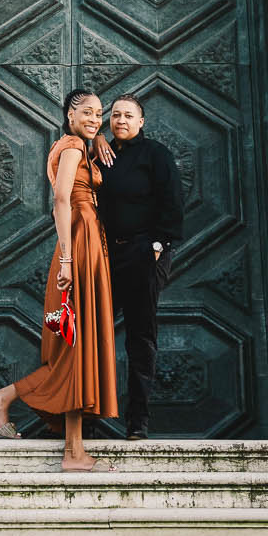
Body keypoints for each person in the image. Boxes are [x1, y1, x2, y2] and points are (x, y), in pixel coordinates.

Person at [0, 90, 117, 471]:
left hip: (89, 246)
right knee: (75, 350)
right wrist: (69, 259)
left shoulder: (78, 144)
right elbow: (60, 199)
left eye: (100, 113)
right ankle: (72, 453)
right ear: (68, 114)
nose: (95, 118)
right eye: (87, 112)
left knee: (78, 349)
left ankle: (3, 398)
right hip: (79, 249)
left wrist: (98, 135)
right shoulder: (72, 146)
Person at [95, 93, 184, 440]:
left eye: (128, 116)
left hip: (144, 254)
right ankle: (86, 416)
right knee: (93, 334)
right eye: (115, 115)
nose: (121, 121)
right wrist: (96, 138)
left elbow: (173, 202)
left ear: (141, 121)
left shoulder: (156, 155)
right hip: (105, 256)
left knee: (140, 337)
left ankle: (137, 422)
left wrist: (158, 246)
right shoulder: (101, 153)